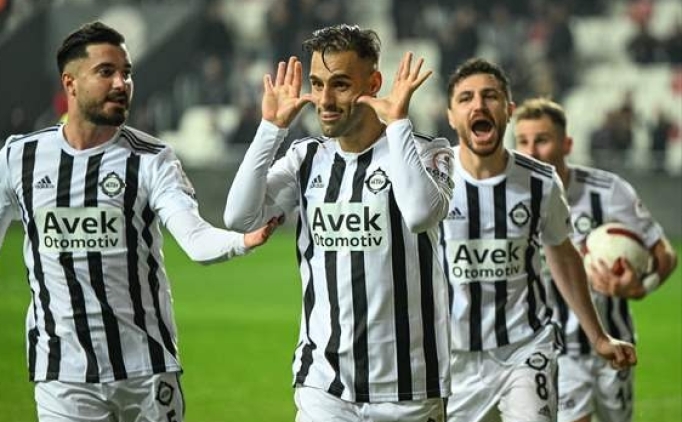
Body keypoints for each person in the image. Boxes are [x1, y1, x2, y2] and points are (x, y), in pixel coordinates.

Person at [0, 21, 279, 422]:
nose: (121, 83)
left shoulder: (151, 158)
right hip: (63, 374)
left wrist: (240, 241)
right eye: (106, 72)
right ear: (70, 83)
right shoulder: (19, 158)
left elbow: (195, 238)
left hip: (145, 371)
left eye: (126, 72)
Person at [223, 24, 455, 421]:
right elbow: (239, 216)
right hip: (324, 385)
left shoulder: (427, 152)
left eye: (341, 85)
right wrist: (270, 129)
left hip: (409, 389)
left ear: (374, 84)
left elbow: (420, 214)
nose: (325, 100)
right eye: (317, 84)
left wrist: (398, 123)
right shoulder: (306, 158)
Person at [439, 58, 638, 422]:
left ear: (509, 110)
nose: (479, 105)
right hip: (451, 358)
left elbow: (562, 253)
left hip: (525, 347)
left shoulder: (540, 181)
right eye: (466, 98)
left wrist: (598, 336)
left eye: (490, 96)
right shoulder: (430, 179)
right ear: (451, 116)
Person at [513, 97, 678, 422]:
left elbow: (664, 252)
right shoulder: (510, 198)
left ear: (567, 144)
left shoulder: (609, 191)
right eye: (522, 141)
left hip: (616, 341)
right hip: (556, 348)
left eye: (542, 140)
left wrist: (642, 287)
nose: (531, 151)